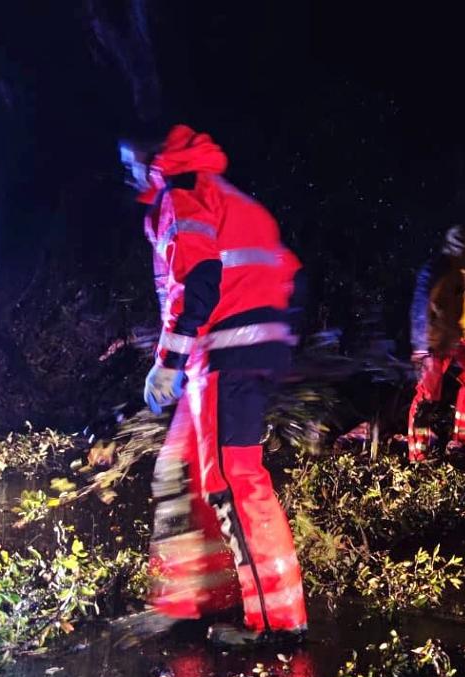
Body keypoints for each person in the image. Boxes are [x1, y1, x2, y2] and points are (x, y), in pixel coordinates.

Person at [131, 124, 308, 647]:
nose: (126, 173)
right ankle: (191, 601)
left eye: (128, 161)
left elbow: (199, 279)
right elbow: (291, 276)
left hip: (224, 353)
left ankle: (278, 624)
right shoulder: (229, 196)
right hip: (238, 351)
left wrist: (168, 360)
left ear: (153, 155)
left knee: (233, 481)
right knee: (177, 472)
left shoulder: (182, 193)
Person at [407, 225, 465, 461]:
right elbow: (420, 309)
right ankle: (418, 454)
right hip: (433, 344)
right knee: (427, 399)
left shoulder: (462, 277)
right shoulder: (433, 271)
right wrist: (421, 346)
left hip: (454, 341)